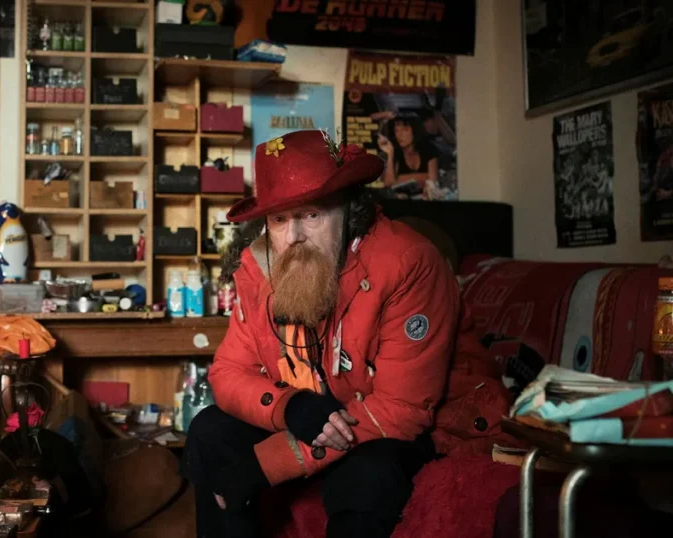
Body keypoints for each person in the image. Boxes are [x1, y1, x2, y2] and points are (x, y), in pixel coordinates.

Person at [182, 130, 512, 538]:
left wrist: (267, 463)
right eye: (279, 219)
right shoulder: (261, 269)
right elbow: (228, 372)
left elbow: (401, 411)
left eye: (312, 215)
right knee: (209, 432)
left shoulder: (408, 262)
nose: (293, 237)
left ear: (349, 209)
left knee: (367, 473)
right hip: (326, 408)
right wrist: (288, 406)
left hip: (424, 425)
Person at [377, 114, 439, 195]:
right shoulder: (395, 152)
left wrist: (400, 179)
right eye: (396, 131)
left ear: (415, 131)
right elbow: (389, 184)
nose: (399, 135)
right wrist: (390, 154)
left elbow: (433, 181)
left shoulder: (429, 149)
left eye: (405, 130)